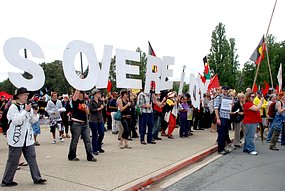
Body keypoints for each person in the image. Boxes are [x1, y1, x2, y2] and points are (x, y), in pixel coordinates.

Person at [1, 87, 46, 187]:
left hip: (28, 138)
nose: (26, 97)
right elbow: (17, 121)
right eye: (25, 95)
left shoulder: (27, 106)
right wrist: (25, 111)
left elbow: (33, 120)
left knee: (32, 158)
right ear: (19, 96)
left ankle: (37, 178)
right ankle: (6, 181)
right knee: (13, 160)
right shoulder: (13, 107)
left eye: (27, 95)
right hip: (16, 139)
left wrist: (34, 113)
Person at [68, 90, 96, 162]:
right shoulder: (75, 101)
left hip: (85, 123)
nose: (84, 94)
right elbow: (75, 95)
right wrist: (79, 85)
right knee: (75, 140)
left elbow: (88, 112)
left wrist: (85, 108)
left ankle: (90, 156)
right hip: (76, 123)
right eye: (82, 93)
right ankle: (72, 155)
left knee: (87, 140)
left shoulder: (84, 102)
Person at [214, 86, 233, 155]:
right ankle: (220, 149)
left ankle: (223, 148)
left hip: (227, 117)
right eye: (224, 89)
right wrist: (218, 118)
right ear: (222, 90)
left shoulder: (229, 97)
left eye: (227, 89)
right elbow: (216, 108)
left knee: (225, 133)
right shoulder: (219, 97)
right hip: (221, 117)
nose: (226, 90)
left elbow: (230, 107)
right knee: (221, 134)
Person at [89, 89, 105, 155]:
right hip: (93, 120)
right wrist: (99, 109)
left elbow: (103, 108)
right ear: (95, 94)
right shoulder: (91, 101)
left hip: (100, 119)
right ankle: (94, 149)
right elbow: (91, 110)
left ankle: (99, 146)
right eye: (98, 93)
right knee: (94, 134)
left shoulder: (100, 101)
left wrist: (103, 105)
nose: (99, 94)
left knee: (101, 133)